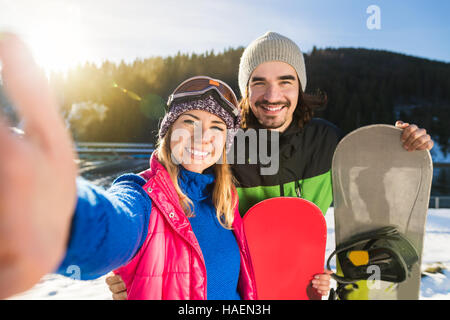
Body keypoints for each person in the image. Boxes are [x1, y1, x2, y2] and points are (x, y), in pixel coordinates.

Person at [0, 34, 332, 300]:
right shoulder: (144, 197)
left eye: (217, 128)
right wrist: (64, 216)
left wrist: (304, 285)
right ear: (168, 132)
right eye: (189, 121)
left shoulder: (225, 205)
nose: (203, 136)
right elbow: (114, 227)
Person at [106, 31, 433, 299]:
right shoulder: (223, 148)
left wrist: (402, 145)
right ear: (246, 90)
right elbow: (167, 197)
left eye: (286, 81)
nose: (272, 94)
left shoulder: (327, 141)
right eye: (258, 81)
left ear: (300, 87)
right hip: (239, 290)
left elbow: (366, 198)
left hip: (300, 286)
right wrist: (138, 266)